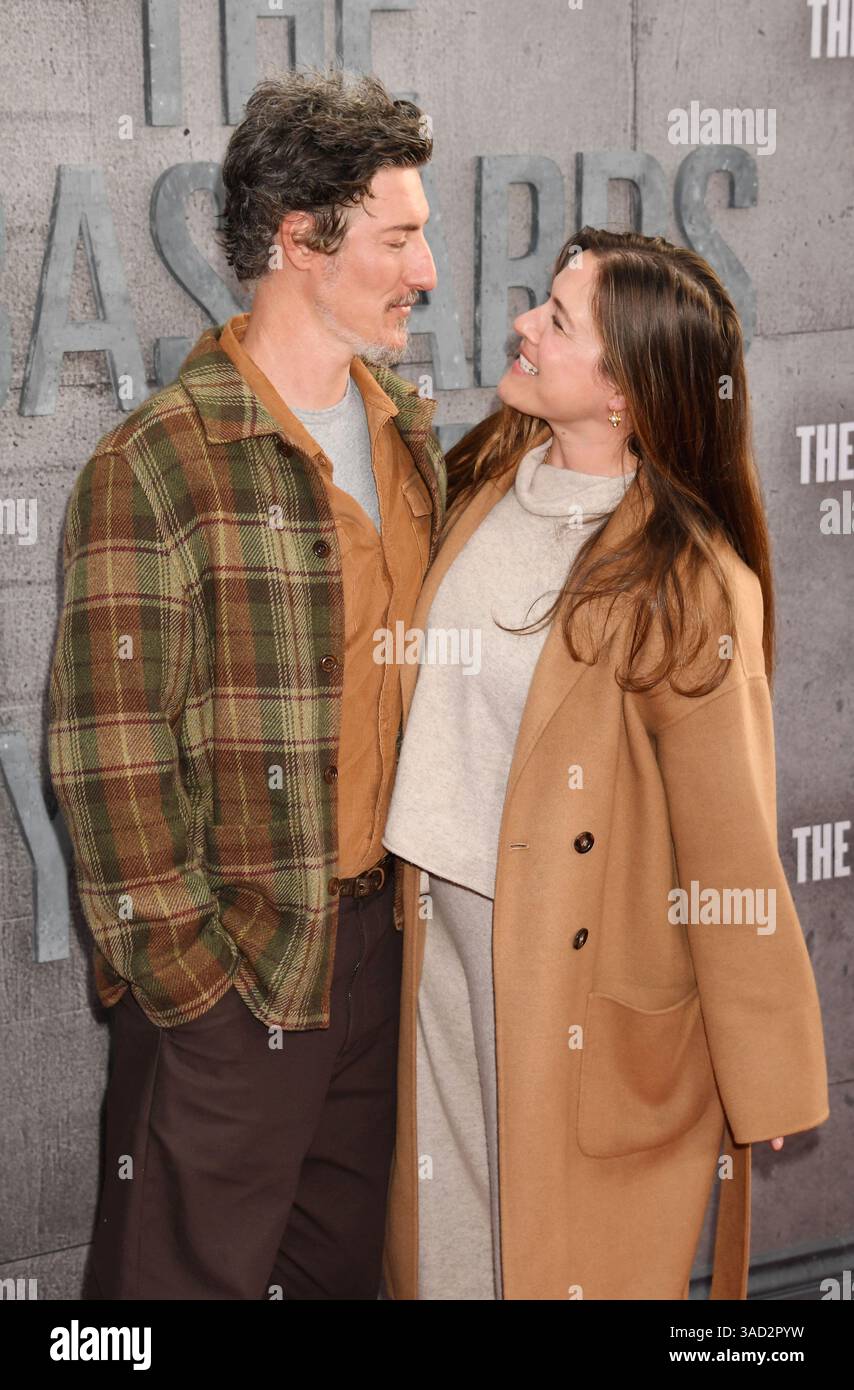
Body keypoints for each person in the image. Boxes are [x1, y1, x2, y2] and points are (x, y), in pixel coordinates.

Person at [47, 67, 445, 1300]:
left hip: (384, 954)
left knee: (336, 1277)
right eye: (398, 236)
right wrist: (196, 990)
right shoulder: (157, 461)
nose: (424, 270)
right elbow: (106, 760)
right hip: (234, 969)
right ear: (298, 240)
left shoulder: (409, 433)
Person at [380, 227, 830, 1300]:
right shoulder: (486, 473)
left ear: (624, 390)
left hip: (575, 970)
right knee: (444, 1255)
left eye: (556, 321)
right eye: (540, 301)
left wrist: (764, 1073)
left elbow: (729, 843)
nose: (522, 325)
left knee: (549, 1266)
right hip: (436, 934)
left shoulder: (690, 581)